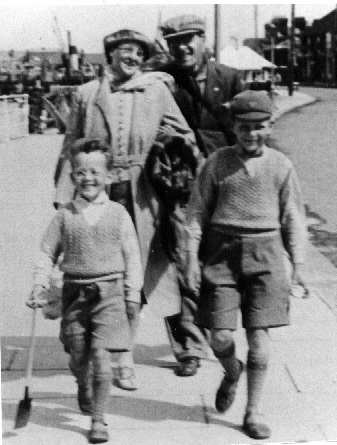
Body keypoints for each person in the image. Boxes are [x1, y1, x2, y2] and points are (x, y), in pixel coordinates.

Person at [54, 29, 198, 390]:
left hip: (143, 193)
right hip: (97, 191)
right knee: (101, 273)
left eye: (137, 52)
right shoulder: (87, 93)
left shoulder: (156, 89)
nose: (131, 58)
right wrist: (62, 195)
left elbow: (184, 134)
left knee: (144, 274)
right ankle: (105, 351)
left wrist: (174, 150)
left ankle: (140, 354)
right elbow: (71, 145)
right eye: (124, 51)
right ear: (110, 54)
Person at [184, 90, 307, 439]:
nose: (251, 134)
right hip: (222, 252)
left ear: (269, 126)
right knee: (220, 335)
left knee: (260, 340)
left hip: (266, 255)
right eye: (244, 127)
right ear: (233, 126)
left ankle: (253, 411)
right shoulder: (217, 163)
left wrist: (297, 264)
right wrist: (190, 257)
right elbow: (195, 212)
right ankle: (231, 370)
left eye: (259, 126)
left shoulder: (281, 166)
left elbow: (294, 217)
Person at [26, 138, 143, 443]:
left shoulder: (119, 213)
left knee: (102, 358)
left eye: (95, 172)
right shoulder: (64, 215)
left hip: (111, 293)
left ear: (109, 176)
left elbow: (132, 256)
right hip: (74, 295)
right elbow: (46, 251)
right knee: (78, 355)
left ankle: (99, 420)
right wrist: (39, 283)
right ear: (72, 176)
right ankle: (82, 383)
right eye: (80, 172)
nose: (88, 178)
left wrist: (132, 293)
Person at [153, 14, 244, 378]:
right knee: (183, 265)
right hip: (179, 187)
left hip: (224, 188)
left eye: (190, 39)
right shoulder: (162, 82)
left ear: (203, 39)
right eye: (175, 41)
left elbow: (247, 132)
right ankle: (188, 346)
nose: (184, 47)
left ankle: (217, 330)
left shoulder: (230, 79)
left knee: (217, 265)